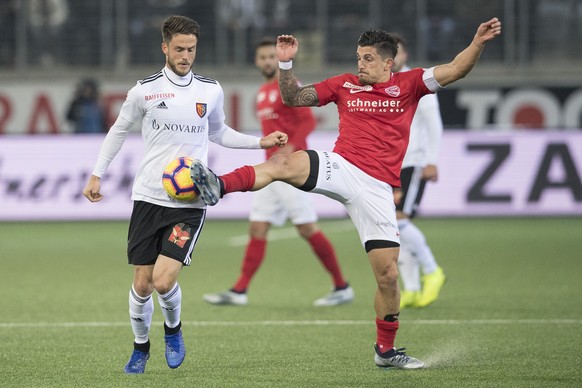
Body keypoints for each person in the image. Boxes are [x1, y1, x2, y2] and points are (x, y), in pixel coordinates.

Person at [190, 18, 501, 369]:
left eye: (368, 58)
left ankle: (385, 351)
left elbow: (457, 69)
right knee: (285, 164)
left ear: (388, 62)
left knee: (388, 275)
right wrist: (286, 63)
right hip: (342, 167)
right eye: (358, 57)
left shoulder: (411, 84)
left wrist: (477, 42)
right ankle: (218, 185)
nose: (360, 64)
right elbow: (293, 97)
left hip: (377, 188)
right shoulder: (344, 85)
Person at [81, 15, 287, 375]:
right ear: (165, 47)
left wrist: (260, 142)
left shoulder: (210, 90)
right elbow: (117, 131)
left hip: (189, 202)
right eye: (179, 49)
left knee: (164, 280)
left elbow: (220, 132)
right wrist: (97, 174)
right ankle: (140, 348)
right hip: (147, 197)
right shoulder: (144, 90)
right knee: (143, 285)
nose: (185, 55)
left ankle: (173, 331)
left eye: (191, 49)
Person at [202, 38, 354, 307]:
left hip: (291, 168)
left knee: (307, 228)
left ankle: (342, 286)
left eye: (271, 57)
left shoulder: (289, 85)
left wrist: (292, 148)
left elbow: (307, 120)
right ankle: (240, 290)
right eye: (262, 58)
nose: (267, 61)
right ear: (256, 61)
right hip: (270, 171)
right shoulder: (262, 91)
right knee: (257, 228)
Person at [390, 34, 446, 309]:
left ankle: (432, 271)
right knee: (392, 229)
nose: (393, 57)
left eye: (396, 52)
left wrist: (432, 160)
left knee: (400, 221)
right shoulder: (382, 85)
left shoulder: (418, 82)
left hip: (413, 162)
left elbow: (434, 124)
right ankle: (411, 288)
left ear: (405, 55)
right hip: (390, 164)